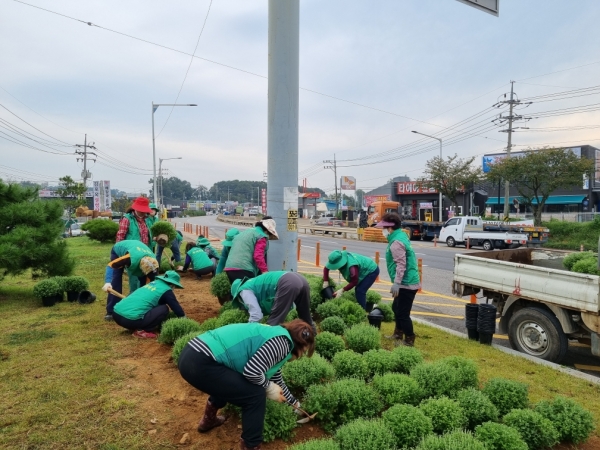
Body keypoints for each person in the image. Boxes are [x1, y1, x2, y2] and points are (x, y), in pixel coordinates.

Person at [177, 320, 315, 450]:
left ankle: (208, 420)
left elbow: (276, 378)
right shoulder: (282, 344)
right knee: (255, 395)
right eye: (304, 351)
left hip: (192, 354)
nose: (301, 356)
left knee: (233, 380)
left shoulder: (278, 335)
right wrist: (269, 387)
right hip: (201, 361)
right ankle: (251, 446)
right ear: (300, 345)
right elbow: (252, 372)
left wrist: (294, 404)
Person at [376, 212, 421, 347]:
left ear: (390, 228)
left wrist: (397, 283)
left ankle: (409, 339)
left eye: (384, 228)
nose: (383, 231)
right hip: (405, 282)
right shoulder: (401, 235)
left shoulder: (396, 242)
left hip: (406, 283)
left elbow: (401, 264)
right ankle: (398, 332)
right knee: (396, 308)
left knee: (402, 313)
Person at [231, 271, 316, 331]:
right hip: (301, 279)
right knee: (306, 318)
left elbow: (256, 314)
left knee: (273, 324)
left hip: (288, 282)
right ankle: (313, 341)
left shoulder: (244, 291)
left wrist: (248, 332)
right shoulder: (253, 283)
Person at [113, 270, 185, 339]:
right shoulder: (166, 290)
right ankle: (141, 331)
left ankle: (135, 326)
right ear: (173, 284)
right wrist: (184, 319)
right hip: (130, 320)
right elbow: (176, 308)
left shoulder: (153, 283)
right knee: (164, 309)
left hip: (116, 314)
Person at [102, 240, 160, 321]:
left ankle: (138, 307)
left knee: (143, 285)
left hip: (139, 250)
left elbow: (152, 283)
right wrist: (108, 282)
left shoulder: (154, 262)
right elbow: (111, 265)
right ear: (142, 269)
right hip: (119, 251)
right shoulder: (129, 258)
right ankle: (111, 311)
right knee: (116, 280)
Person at [224, 217, 278, 284]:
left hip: (229, 268)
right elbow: (258, 256)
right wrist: (265, 272)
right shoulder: (261, 236)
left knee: (237, 291)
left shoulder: (245, 233)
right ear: (267, 230)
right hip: (244, 268)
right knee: (248, 292)